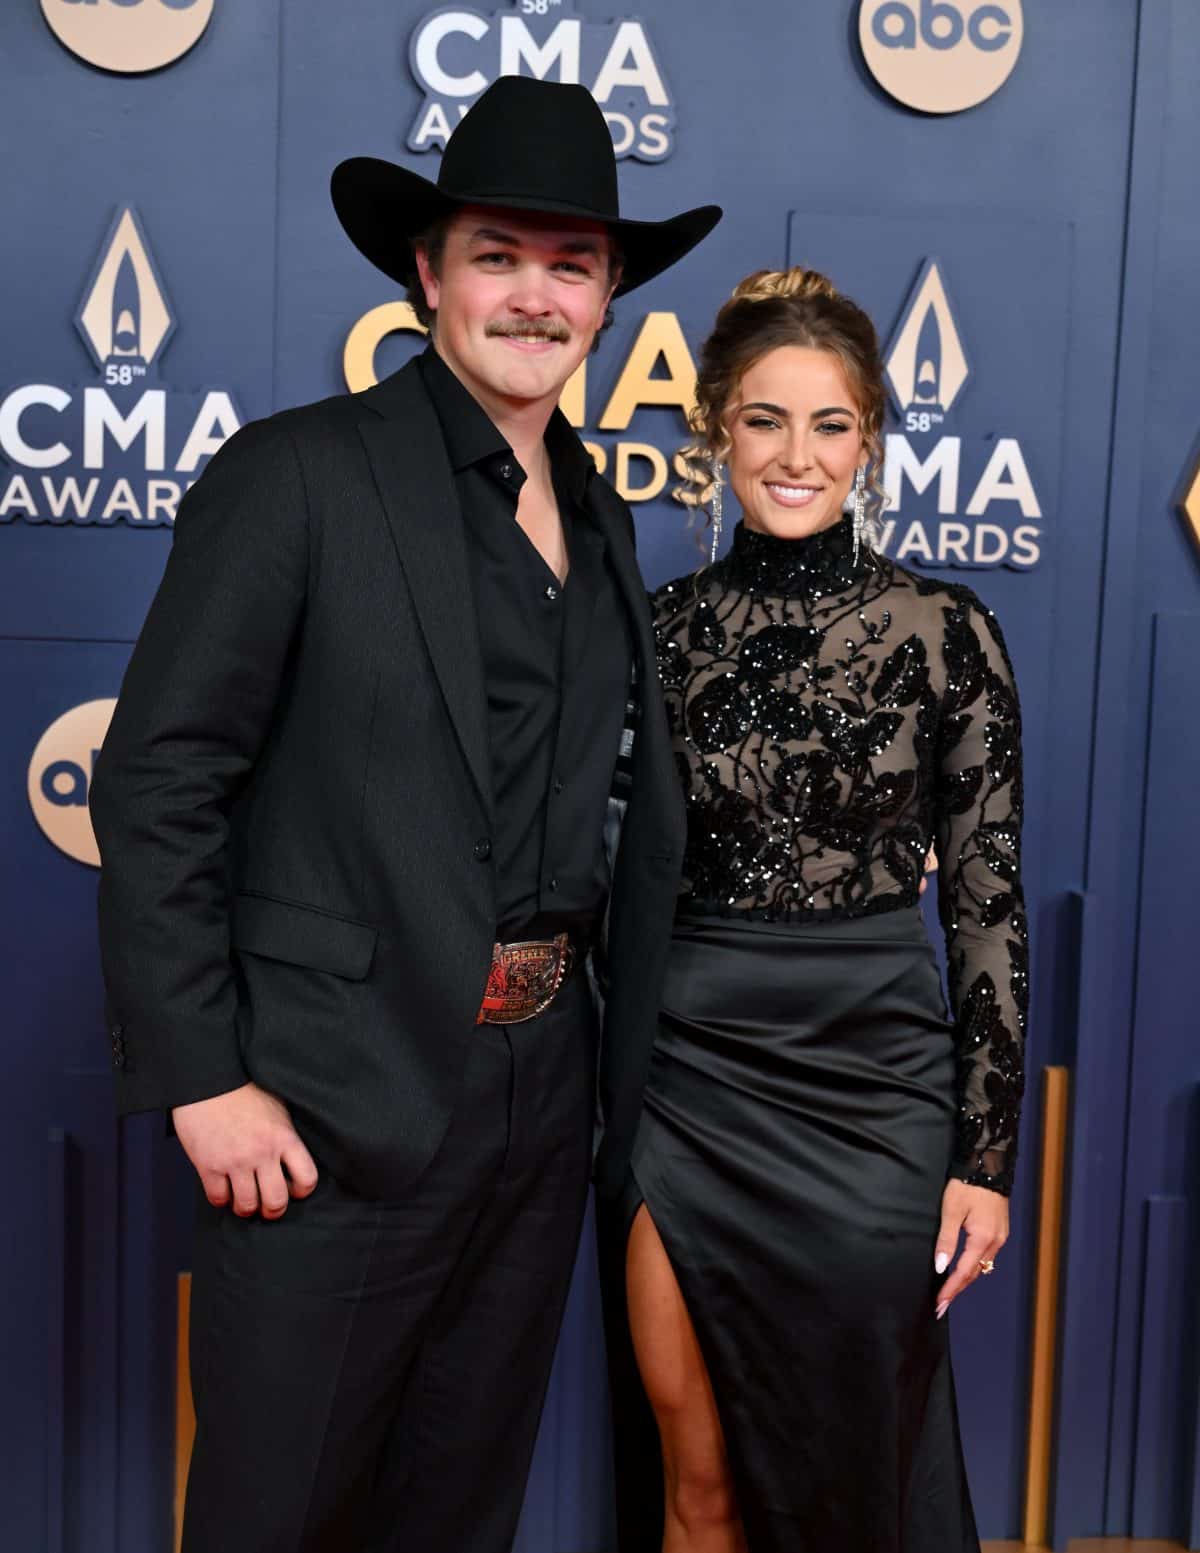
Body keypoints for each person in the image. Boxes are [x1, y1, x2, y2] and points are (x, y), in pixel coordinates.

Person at [89, 76, 719, 1553]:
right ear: (427, 274)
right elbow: (161, 777)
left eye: (572, 265)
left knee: (458, 1508)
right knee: (276, 1508)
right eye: (499, 254)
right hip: (323, 1101)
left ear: (611, 297)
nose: (534, 295)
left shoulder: (605, 509)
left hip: (538, 1097)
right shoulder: (296, 477)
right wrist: (203, 1076)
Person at [600, 267, 1028, 1553]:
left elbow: (990, 905)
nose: (797, 456)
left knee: (859, 1477)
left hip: (874, 1093)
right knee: (700, 1480)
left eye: (830, 423)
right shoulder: (657, 631)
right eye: (766, 420)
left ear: (872, 439)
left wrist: (984, 1157)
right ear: (715, 429)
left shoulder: (946, 629)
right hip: (687, 1085)